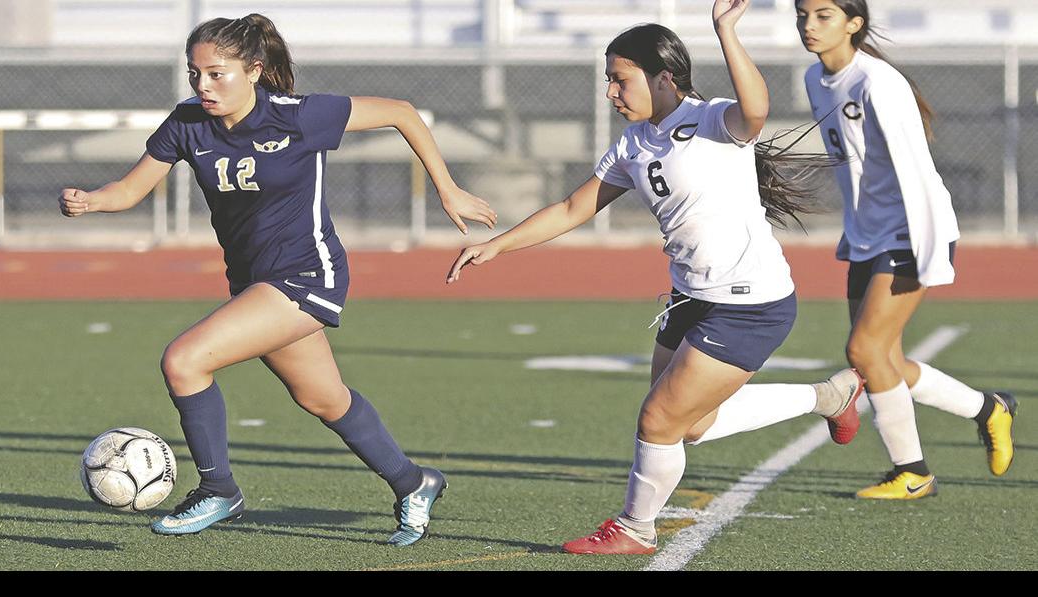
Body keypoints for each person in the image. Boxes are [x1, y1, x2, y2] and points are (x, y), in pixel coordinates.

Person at [59, 14, 497, 544]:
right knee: (324, 399)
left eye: (217, 73)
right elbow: (129, 191)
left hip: (308, 273)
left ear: (254, 71)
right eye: (194, 73)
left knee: (184, 360)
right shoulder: (187, 123)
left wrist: (446, 189)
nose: (203, 85)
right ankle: (414, 482)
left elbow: (402, 113)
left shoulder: (298, 116)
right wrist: (90, 201)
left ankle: (218, 489)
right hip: (254, 283)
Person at [447, 0, 864, 555]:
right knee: (687, 425)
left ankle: (635, 528)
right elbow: (574, 208)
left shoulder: (716, 119)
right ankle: (827, 398)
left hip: (749, 302)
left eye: (620, 80)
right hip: (689, 296)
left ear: (665, 78)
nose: (611, 93)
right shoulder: (632, 142)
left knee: (659, 417)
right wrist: (497, 246)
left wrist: (725, 31)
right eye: (608, 82)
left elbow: (757, 108)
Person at [797, 0, 1018, 499]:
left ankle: (913, 472)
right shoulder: (816, 79)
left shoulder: (877, 81)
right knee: (883, 362)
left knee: (864, 351)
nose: (809, 25)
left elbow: (916, 171)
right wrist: (855, 232)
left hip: (913, 229)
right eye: (802, 15)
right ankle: (990, 410)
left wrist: (930, 246)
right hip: (866, 236)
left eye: (823, 15)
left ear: (854, 24)